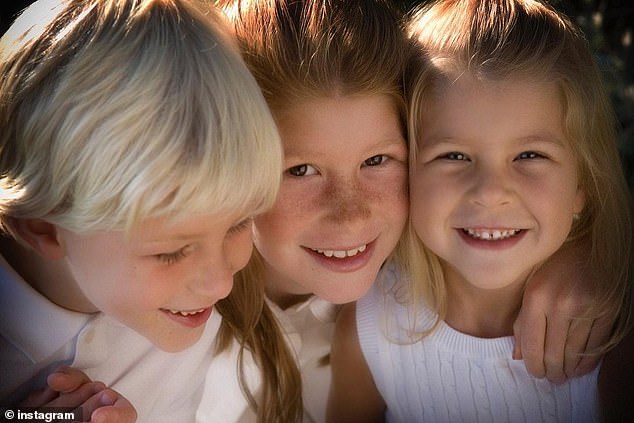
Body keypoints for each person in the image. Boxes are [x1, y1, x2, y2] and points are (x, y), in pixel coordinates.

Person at [206, 0, 619, 422]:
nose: (349, 215)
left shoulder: (590, 316)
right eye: (301, 170)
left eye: (377, 161)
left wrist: (599, 253)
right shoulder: (174, 317)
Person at [327, 0, 634, 421]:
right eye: (453, 155)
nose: (491, 193)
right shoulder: (368, 329)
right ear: (405, 170)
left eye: (529, 154)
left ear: (582, 184)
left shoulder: (611, 343)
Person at [0, 0, 301, 421]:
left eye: (238, 224)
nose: (220, 286)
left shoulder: (185, 315)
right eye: (170, 252)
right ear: (42, 227)